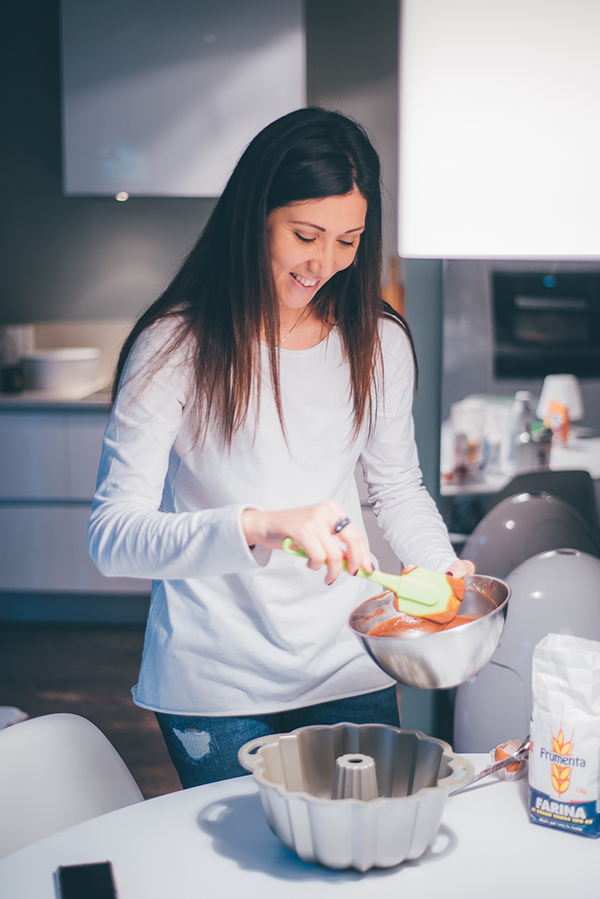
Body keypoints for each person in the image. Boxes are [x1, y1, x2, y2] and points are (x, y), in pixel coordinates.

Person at [88, 107, 474, 788]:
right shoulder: (174, 346)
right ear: (256, 215)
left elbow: (395, 488)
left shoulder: (378, 342)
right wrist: (260, 523)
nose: (324, 263)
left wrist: (441, 572)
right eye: (306, 235)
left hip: (348, 665)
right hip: (214, 681)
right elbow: (113, 536)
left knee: (357, 866)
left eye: (349, 239)